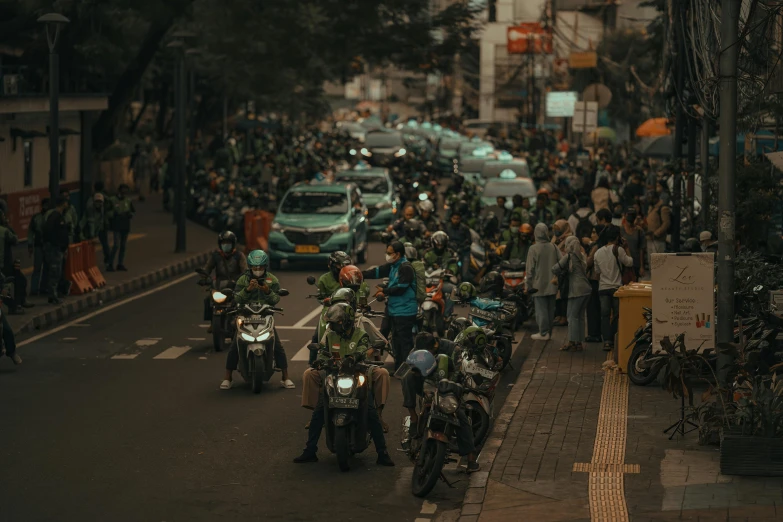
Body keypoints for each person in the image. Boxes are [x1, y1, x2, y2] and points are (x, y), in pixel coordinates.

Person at [293, 303, 394, 466]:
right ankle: (309, 450)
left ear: (345, 321)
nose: (331, 326)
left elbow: (363, 349)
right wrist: (320, 361)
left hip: (357, 376)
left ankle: (382, 453)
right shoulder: (331, 335)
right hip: (334, 377)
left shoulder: (361, 334)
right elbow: (323, 352)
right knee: (319, 413)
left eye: (334, 322)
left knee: (371, 413)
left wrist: (355, 358)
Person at [221, 249, 294, 389]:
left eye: (260, 267)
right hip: (245, 317)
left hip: (265, 317)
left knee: (277, 345)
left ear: (265, 267)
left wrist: (267, 291)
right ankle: (227, 377)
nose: (258, 270)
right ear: (250, 267)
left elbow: (275, 299)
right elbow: (236, 298)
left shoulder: (272, 280)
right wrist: (247, 289)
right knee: (235, 345)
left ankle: (285, 377)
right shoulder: (243, 280)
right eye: (255, 267)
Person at [403, 345, 480, 473]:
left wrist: (459, 385)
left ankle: (471, 459)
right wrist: (414, 416)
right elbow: (410, 395)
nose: (414, 373)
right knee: (421, 416)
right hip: (429, 393)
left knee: (461, 418)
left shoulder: (445, 363)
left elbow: (460, 373)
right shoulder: (411, 372)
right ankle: (414, 439)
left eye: (417, 372)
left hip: (449, 394)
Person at [361, 241, 417, 369]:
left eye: (389, 253)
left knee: (405, 342)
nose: (387, 255)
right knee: (394, 340)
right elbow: (377, 272)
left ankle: (408, 370)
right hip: (393, 309)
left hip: (405, 311)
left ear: (397, 254)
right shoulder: (393, 266)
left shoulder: (405, 267)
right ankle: (398, 368)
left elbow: (401, 288)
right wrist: (359, 274)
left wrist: (384, 291)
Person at [591, 226, 634, 352]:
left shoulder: (598, 252)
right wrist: (626, 248)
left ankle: (607, 342)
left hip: (603, 288)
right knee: (616, 315)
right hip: (616, 288)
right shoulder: (618, 250)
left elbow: (597, 272)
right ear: (617, 237)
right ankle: (615, 340)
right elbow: (630, 262)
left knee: (604, 315)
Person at [202, 231, 247, 333]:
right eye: (224, 243)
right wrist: (204, 277)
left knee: (241, 303)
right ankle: (212, 323)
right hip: (219, 286)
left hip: (235, 286)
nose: (226, 245)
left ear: (233, 244)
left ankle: (241, 322)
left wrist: (241, 280)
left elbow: (245, 271)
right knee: (207, 300)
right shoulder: (215, 256)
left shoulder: (239, 256)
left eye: (228, 243)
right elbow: (207, 269)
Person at [552, 236, 591, 352]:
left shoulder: (569, 257)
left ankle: (572, 342)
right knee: (580, 317)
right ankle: (579, 343)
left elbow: (554, 269)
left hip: (576, 290)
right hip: (586, 289)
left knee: (572, 316)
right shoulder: (582, 256)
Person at [525, 223, 561, 341]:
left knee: (541, 310)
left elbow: (530, 270)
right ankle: (548, 332)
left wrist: (528, 285)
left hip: (538, 284)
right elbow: (562, 262)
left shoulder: (533, 248)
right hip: (552, 283)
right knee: (551, 309)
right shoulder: (553, 247)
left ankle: (543, 332)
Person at [42, 195, 71, 304]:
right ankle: (52, 295)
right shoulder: (54, 216)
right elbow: (48, 231)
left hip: (58, 248)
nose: (67, 205)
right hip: (55, 249)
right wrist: (55, 244)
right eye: (66, 203)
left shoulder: (59, 216)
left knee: (57, 272)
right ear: (63, 203)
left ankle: (53, 294)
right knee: (54, 272)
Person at [107, 184, 135, 272]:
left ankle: (120, 264)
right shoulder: (112, 200)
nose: (124, 192)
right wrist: (114, 214)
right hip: (116, 225)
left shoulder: (128, 201)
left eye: (126, 191)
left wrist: (129, 215)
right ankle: (110, 264)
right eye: (123, 190)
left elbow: (132, 211)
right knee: (116, 245)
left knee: (123, 246)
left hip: (125, 225)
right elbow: (107, 212)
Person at [444, 210, 473, 282]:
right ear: (451, 218)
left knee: (465, 274)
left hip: (463, 252)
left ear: (460, 219)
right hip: (450, 252)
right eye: (454, 218)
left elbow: (469, 241)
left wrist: (462, 247)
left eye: (457, 219)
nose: (456, 220)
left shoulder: (465, 228)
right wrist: (450, 245)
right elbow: (444, 238)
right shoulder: (447, 227)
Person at [27, 199, 48, 296]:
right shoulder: (36, 218)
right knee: (37, 268)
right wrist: (30, 245)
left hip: (48, 246)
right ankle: (34, 289)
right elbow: (31, 232)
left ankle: (43, 288)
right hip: (39, 245)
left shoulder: (51, 217)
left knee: (46, 268)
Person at [620, 207, 646, 280]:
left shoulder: (639, 231)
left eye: (633, 214)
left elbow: (642, 249)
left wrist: (642, 266)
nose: (631, 216)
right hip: (623, 263)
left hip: (635, 263)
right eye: (629, 214)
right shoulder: (620, 230)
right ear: (625, 215)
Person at [644, 191, 670, 258]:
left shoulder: (663, 208)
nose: (649, 200)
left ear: (655, 198)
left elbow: (666, 223)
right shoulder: (652, 208)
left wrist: (656, 233)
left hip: (658, 240)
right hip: (649, 238)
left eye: (651, 198)